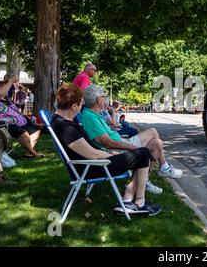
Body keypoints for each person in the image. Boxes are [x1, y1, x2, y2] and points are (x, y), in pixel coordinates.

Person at [51, 83, 161, 216]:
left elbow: (90, 150)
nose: (82, 106)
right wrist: (111, 155)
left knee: (140, 153)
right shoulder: (66, 127)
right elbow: (92, 154)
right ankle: (139, 202)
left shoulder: (62, 121)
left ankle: (128, 200)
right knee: (143, 153)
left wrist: (110, 153)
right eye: (81, 103)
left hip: (91, 164)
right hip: (91, 168)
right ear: (74, 106)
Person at [80, 85, 182, 194]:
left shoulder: (93, 114)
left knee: (157, 143)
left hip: (120, 143)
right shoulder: (89, 116)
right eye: (104, 96)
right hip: (116, 149)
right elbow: (108, 143)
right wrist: (136, 148)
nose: (105, 99)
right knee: (153, 132)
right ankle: (160, 170)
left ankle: (156, 172)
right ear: (98, 100)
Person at [0, 76, 43, 158]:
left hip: (21, 121)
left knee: (36, 131)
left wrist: (24, 117)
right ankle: (34, 153)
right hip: (4, 124)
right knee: (23, 133)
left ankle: (28, 152)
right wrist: (11, 81)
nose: (7, 89)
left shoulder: (7, 100)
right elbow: (0, 94)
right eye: (3, 87)